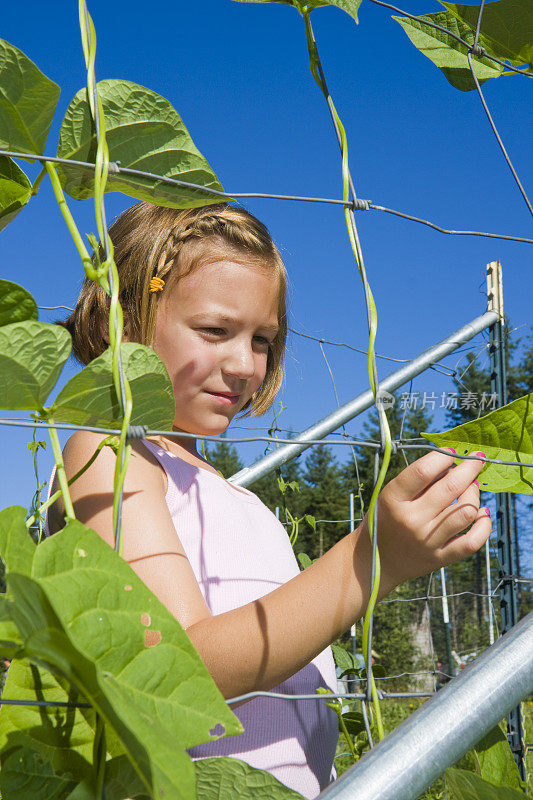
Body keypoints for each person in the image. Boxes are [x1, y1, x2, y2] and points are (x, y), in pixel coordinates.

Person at [46, 201, 491, 799]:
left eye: (263, 340)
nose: (245, 365)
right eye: (214, 331)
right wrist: (372, 558)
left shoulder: (242, 503)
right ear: (125, 319)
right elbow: (178, 667)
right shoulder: (105, 454)